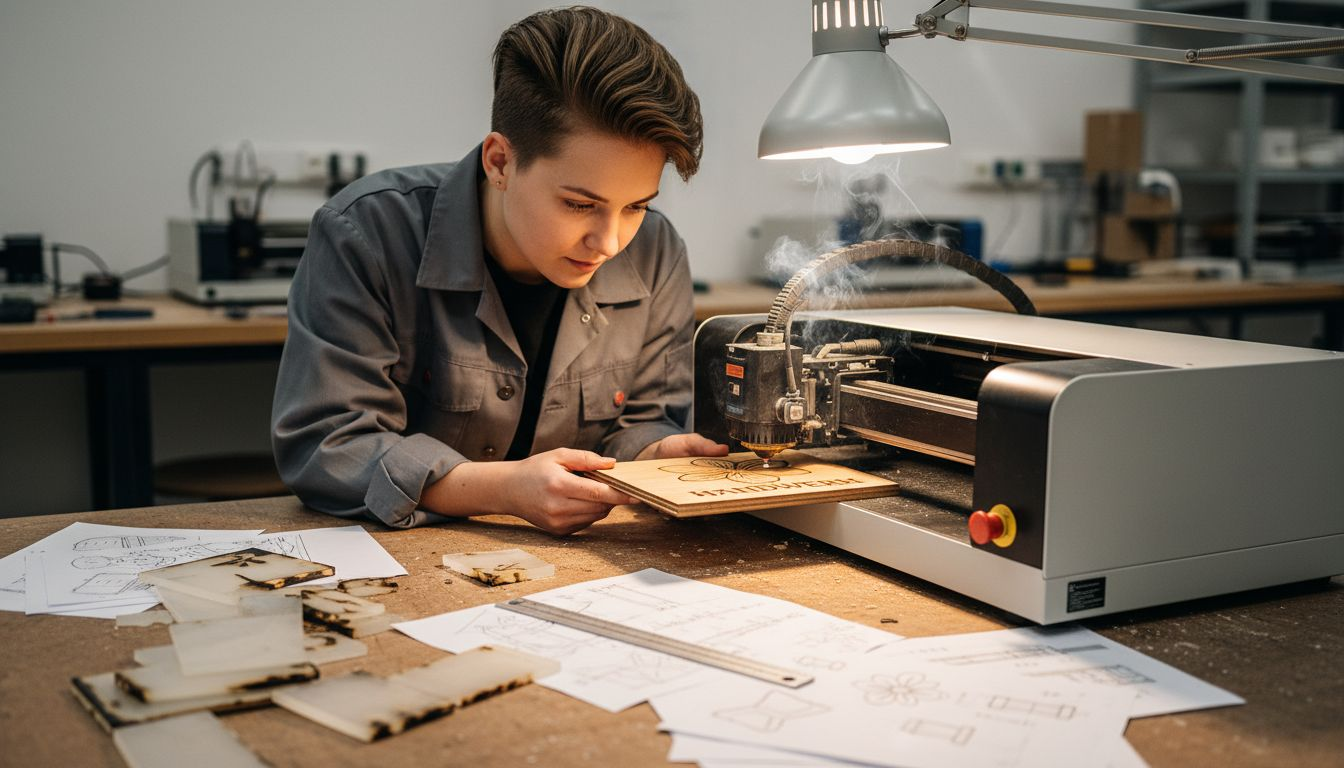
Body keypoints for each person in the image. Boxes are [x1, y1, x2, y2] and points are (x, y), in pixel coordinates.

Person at [271, 7, 727, 535]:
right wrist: (504, 490)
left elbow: (643, 418)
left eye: (635, 206)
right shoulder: (365, 233)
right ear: (500, 162)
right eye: (580, 205)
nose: (608, 242)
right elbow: (327, 445)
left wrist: (655, 450)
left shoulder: (656, 251)